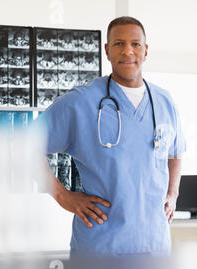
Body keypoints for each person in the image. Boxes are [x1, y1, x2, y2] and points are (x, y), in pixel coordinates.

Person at [39, 16, 186, 256]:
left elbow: (176, 150)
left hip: (154, 246)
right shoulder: (80, 102)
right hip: (100, 248)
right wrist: (62, 195)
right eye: (119, 43)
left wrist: (173, 192)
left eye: (135, 44)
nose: (128, 51)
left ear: (145, 51)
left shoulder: (164, 102)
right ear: (107, 50)